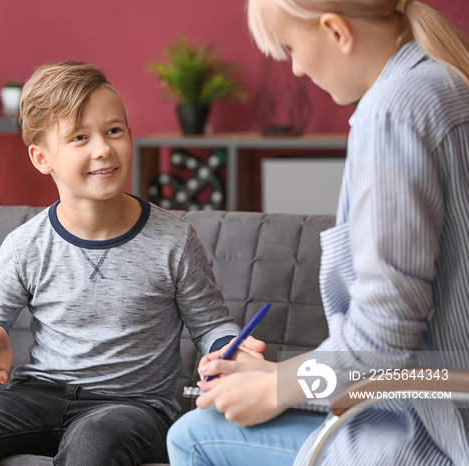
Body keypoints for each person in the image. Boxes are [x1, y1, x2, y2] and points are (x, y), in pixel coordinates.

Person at [0, 61, 264, 466]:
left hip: (135, 408)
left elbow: (212, 325)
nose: (103, 148)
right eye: (79, 137)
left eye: (114, 130)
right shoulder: (26, 245)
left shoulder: (174, 240)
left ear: (130, 135)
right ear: (42, 158)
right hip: (37, 395)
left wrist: (230, 350)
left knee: (94, 444)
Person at [167, 0, 469, 465]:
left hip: (431, 431)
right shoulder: (446, 82)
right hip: (434, 400)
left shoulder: (393, 113)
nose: (299, 68)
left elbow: (384, 344)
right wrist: (283, 375)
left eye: (290, 48)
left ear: (336, 31)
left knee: (194, 436)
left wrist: (275, 388)